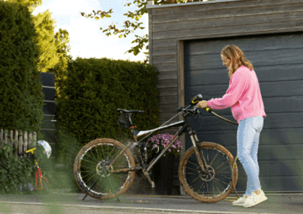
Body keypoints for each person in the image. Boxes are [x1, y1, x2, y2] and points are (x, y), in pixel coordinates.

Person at [197, 45, 267, 208]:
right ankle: (249, 194)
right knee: (251, 157)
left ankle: (257, 192)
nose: (223, 64)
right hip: (257, 118)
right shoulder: (249, 70)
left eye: (225, 60)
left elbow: (228, 100)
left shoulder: (240, 74)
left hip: (249, 119)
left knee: (243, 155)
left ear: (232, 58)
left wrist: (207, 103)